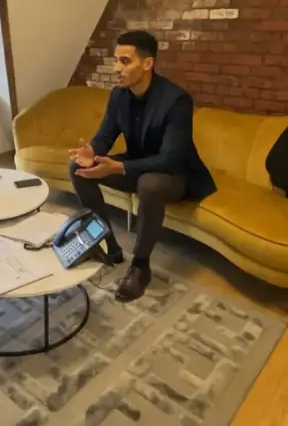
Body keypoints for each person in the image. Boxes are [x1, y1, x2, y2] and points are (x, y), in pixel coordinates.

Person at [69, 30, 216, 302]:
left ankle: (140, 266)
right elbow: (105, 136)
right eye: (116, 60)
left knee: (149, 183)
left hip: (175, 174)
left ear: (147, 64)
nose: (117, 68)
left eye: (125, 62)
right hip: (139, 165)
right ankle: (108, 245)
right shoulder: (119, 95)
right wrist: (91, 152)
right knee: (77, 169)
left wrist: (117, 168)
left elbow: (171, 158)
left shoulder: (176, 100)